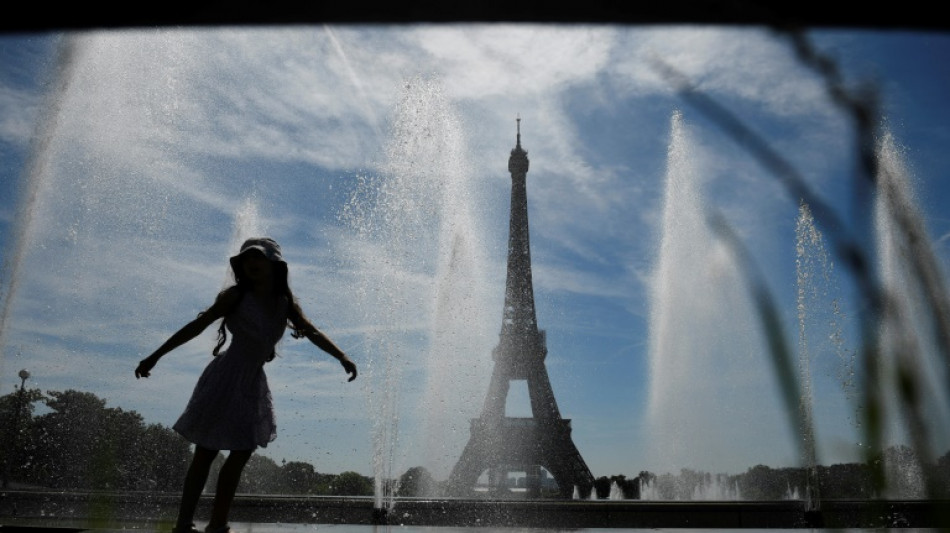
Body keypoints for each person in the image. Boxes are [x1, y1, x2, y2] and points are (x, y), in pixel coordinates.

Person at [135, 237, 357, 533]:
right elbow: (197, 326)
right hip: (226, 377)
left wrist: (341, 356)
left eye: (258, 257)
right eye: (246, 258)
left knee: (241, 452)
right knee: (206, 451)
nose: (251, 263)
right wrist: (155, 356)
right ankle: (183, 524)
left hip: (252, 382)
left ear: (274, 265)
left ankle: (217, 523)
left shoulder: (284, 304)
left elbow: (312, 332)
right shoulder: (236, 296)